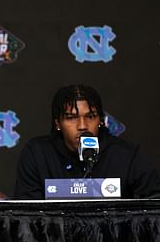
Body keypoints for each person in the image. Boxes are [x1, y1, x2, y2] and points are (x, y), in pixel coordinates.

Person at [14, 84, 160, 199]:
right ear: (58, 123)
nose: (82, 126)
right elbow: (26, 216)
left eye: (90, 117)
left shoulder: (125, 154)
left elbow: (154, 202)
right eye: (71, 118)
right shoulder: (37, 153)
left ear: (100, 121)